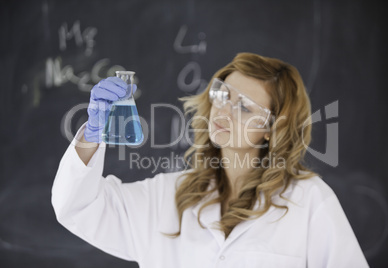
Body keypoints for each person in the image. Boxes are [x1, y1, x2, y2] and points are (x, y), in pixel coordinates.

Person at [51, 53, 369, 267]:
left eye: (244, 107)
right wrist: (92, 134)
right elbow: (78, 206)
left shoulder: (310, 202)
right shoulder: (166, 196)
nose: (224, 111)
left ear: (273, 129)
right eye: (223, 94)